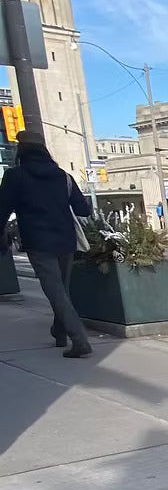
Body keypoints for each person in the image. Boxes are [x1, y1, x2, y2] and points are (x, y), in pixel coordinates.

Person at [0, 131, 92, 357]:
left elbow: (2, 211)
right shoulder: (63, 176)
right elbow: (83, 210)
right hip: (66, 241)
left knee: (56, 292)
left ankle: (79, 340)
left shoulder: (15, 176)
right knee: (61, 291)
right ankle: (59, 332)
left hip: (38, 242)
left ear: (21, 150)